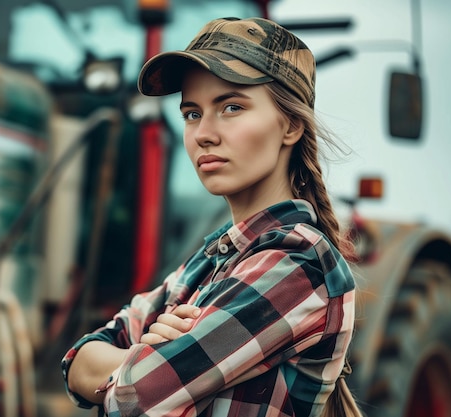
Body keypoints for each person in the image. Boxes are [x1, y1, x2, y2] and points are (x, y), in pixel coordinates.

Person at [62, 17, 363, 417]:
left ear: (290, 125)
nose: (204, 133)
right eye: (191, 113)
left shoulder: (298, 262)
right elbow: (77, 359)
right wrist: (144, 356)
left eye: (231, 107)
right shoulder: (211, 260)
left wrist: (137, 362)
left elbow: (135, 397)